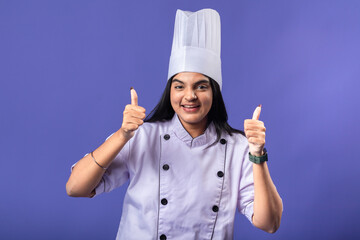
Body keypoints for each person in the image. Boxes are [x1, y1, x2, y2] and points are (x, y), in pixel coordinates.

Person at [66, 9, 283, 240]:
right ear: (170, 91)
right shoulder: (141, 136)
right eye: (179, 86)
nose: (189, 96)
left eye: (201, 86)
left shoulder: (239, 147)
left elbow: (269, 224)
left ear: (215, 92)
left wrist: (258, 155)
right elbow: (75, 188)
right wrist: (122, 134)